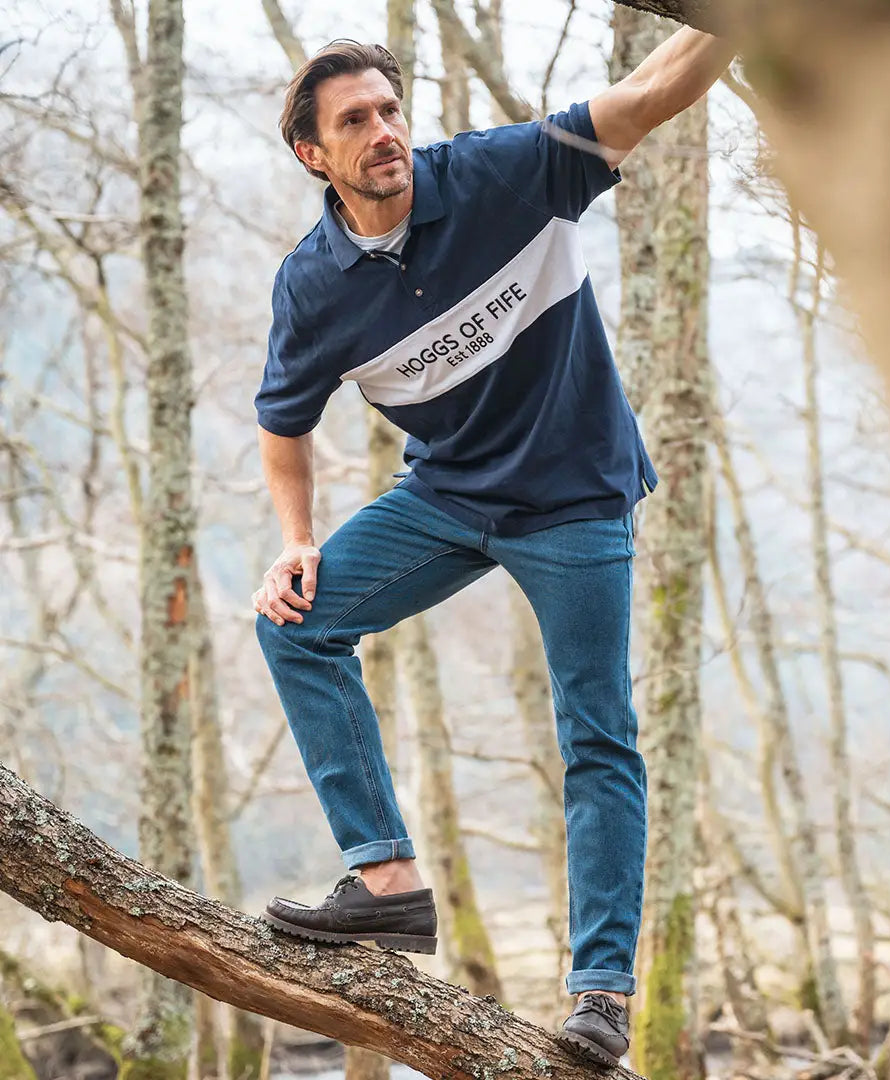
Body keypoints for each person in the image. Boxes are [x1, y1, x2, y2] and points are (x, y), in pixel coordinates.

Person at [252, 25, 733, 1067]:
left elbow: (648, 95)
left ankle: (601, 994)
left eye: (389, 110)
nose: (383, 132)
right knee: (293, 622)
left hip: (575, 496)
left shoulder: (505, 175)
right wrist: (294, 542)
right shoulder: (316, 285)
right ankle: (386, 884)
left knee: (597, 733)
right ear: (314, 156)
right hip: (450, 497)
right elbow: (282, 429)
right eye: (355, 122)